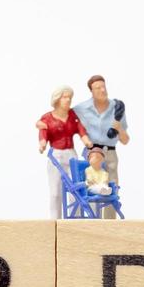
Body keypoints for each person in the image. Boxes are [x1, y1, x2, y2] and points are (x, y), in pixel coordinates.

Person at [73, 75, 129, 219]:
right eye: (98, 88)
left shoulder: (117, 108)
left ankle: (109, 223)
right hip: (92, 152)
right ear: (91, 91)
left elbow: (125, 140)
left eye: (104, 86)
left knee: (112, 187)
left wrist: (119, 129)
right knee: (89, 185)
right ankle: (91, 220)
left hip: (110, 153)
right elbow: (66, 118)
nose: (102, 90)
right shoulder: (82, 108)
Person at [36, 85, 93, 218]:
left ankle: (76, 220)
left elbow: (80, 129)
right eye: (65, 97)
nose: (68, 100)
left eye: (70, 97)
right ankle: (55, 220)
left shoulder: (73, 115)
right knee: (55, 192)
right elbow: (43, 132)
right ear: (57, 99)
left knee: (76, 189)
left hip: (71, 154)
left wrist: (86, 140)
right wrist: (42, 143)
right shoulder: (47, 118)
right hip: (56, 155)